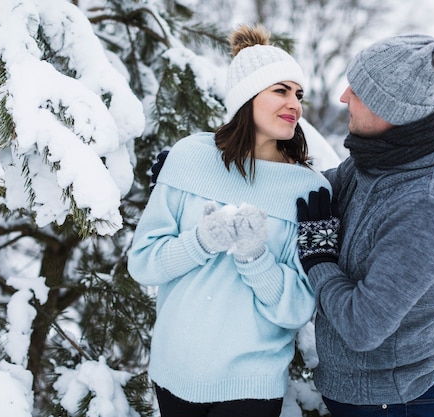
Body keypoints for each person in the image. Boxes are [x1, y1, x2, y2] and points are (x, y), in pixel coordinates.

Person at [127, 24, 331, 417]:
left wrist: (256, 258)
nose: (295, 104)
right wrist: (199, 242)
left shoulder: (306, 189)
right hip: (175, 369)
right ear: (246, 97)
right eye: (281, 90)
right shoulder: (188, 158)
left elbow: (297, 308)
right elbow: (144, 263)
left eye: (299, 94)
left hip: (251, 382)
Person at [296, 33, 434, 417]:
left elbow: (363, 327)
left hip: (393, 404)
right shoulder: (379, 163)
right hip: (361, 397)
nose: (343, 96)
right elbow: (309, 190)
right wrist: (205, 165)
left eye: (356, 90)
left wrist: (318, 256)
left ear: (389, 109)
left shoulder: (427, 207)